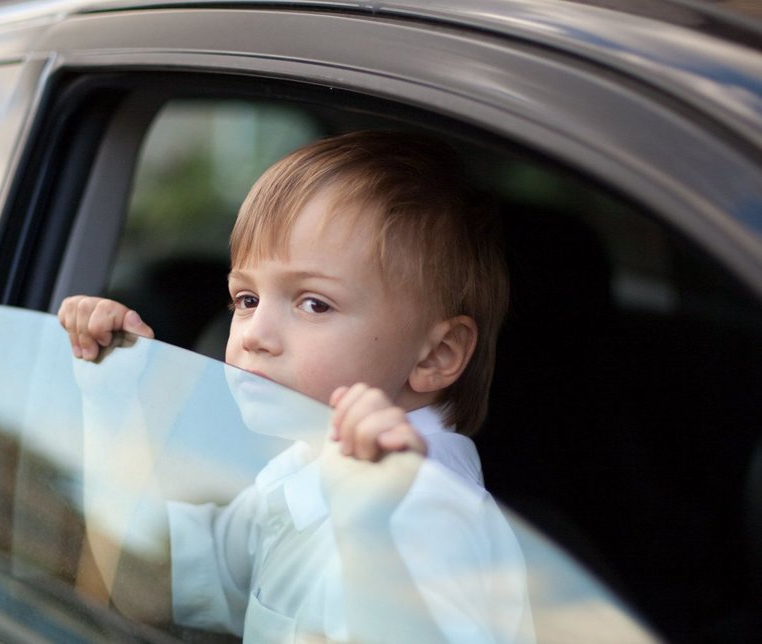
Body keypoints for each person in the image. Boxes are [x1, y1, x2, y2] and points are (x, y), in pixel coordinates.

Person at [59, 130, 532, 642]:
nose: (254, 334)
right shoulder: (302, 475)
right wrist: (113, 400)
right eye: (246, 299)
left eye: (314, 304)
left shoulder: (424, 513)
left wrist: (368, 536)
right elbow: (150, 582)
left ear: (437, 355)